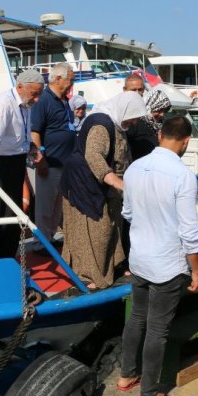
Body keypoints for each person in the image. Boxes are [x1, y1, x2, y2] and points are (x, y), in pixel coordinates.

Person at [117, 116, 198, 396]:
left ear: (160, 135)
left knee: (137, 317)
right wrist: (197, 270)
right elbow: (190, 231)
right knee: (157, 329)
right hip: (167, 262)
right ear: (186, 141)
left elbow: (127, 212)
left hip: (140, 258)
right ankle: (149, 394)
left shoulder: (134, 168)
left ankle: (127, 375)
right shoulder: (182, 175)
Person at [59, 93, 146, 289]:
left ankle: (109, 268)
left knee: (110, 227)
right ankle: (88, 277)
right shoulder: (101, 125)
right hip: (83, 186)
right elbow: (94, 156)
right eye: (134, 116)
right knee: (94, 232)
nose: (134, 122)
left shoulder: (116, 123)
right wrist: (119, 183)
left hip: (101, 187)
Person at [0, 69, 44, 259]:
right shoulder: (3, 102)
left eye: (39, 94)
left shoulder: (26, 103)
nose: (37, 99)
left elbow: (21, 132)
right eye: (34, 94)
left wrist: (31, 146)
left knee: (13, 212)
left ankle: (8, 258)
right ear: (20, 87)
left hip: (15, 162)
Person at [29, 62, 76, 247]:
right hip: (49, 164)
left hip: (64, 164)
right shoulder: (44, 100)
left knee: (57, 207)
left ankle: (49, 238)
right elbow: (35, 132)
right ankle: (41, 243)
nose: (72, 84)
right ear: (58, 79)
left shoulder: (64, 101)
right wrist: (40, 159)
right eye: (70, 80)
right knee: (45, 207)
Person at [126, 86, 171, 161]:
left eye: (165, 111)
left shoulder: (163, 125)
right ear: (149, 108)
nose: (162, 114)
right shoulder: (136, 122)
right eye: (159, 110)